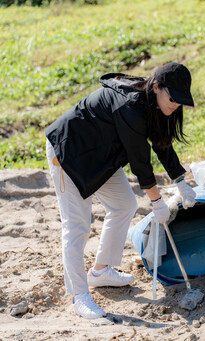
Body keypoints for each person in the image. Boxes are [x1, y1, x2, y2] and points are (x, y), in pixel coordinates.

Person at [45, 62, 197, 319]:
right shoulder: (130, 105)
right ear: (157, 87)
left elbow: (162, 144)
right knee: (78, 225)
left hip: (101, 156)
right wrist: (157, 201)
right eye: (173, 98)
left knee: (124, 204)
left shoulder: (155, 103)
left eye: (181, 101)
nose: (176, 105)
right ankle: (79, 296)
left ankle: (100, 271)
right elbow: (140, 161)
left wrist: (181, 182)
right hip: (69, 153)